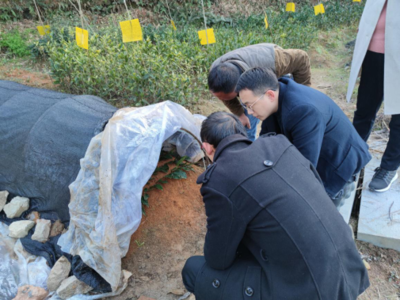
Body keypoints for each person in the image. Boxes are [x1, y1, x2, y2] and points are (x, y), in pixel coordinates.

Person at [181, 111, 369, 300]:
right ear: (242, 132)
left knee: (194, 270)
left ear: (207, 148)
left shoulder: (219, 180)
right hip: (349, 271)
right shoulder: (280, 144)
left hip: (310, 291)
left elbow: (218, 259)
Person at [235, 67, 371, 206]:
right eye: (245, 106)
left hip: (336, 165)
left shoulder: (302, 110)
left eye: (250, 105)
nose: (249, 112)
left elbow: (304, 167)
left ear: (270, 95)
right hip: (315, 156)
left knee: (320, 219)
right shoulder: (276, 95)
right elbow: (266, 141)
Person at [347, 0, 400, 192]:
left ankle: (389, 167)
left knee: (399, 117)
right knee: (364, 111)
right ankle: (352, 160)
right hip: (373, 55)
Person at [209, 43, 311, 140]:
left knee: (283, 115)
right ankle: (251, 150)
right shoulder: (216, 74)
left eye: (230, 97)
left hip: (273, 71)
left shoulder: (273, 62)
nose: (224, 100)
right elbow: (225, 96)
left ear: (239, 88)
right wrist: (240, 114)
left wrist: (302, 93)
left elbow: (302, 58)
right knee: (248, 122)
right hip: (250, 79)